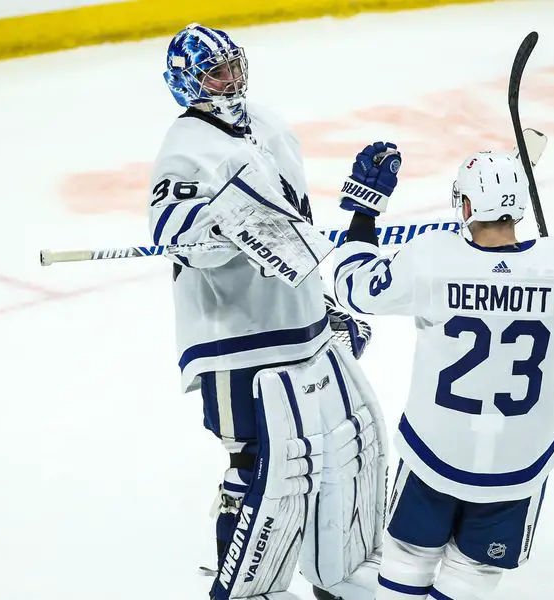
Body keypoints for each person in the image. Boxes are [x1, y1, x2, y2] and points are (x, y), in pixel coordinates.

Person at [150, 23, 390, 600]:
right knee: (258, 464)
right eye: (215, 72)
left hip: (298, 324)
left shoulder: (270, 123)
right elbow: (175, 235)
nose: (229, 80)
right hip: (235, 335)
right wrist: (217, 227)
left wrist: (320, 299)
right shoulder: (184, 146)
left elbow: (293, 230)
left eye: (233, 67)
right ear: (187, 84)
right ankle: (242, 585)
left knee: (329, 455)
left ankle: (332, 571)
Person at [331, 144, 554, 599]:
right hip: (518, 462)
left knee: (407, 558)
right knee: (474, 574)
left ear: (465, 205)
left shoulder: (431, 258)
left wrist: (365, 210)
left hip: (434, 452)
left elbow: (351, 288)